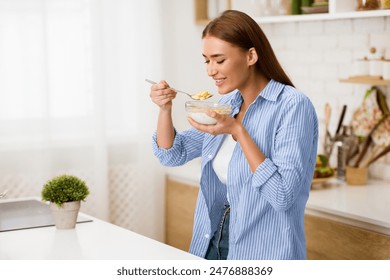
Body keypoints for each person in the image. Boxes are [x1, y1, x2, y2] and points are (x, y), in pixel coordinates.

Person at [149, 10, 318, 260]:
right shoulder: (227, 103)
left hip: (262, 251)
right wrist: (165, 109)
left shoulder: (292, 106)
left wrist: (238, 131)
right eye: (206, 60)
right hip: (211, 240)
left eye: (219, 60)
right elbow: (173, 154)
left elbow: (283, 196)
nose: (210, 71)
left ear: (251, 55)